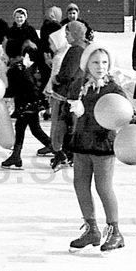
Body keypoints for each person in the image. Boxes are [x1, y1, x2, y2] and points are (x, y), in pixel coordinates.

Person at [65, 46, 136, 253]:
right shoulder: (79, 86)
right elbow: (67, 112)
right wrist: (72, 110)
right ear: (87, 64)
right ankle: (92, 230)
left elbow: (129, 113)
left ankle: (115, 231)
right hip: (81, 143)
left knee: (103, 187)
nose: (100, 67)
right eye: (96, 62)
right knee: (80, 185)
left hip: (103, 144)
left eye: (104, 63)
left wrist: (133, 124)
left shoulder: (113, 88)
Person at [0, 40, 51, 168]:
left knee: (21, 127)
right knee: (35, 129)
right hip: (32, 102)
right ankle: (57, 151)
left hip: (27, 104)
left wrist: (1, 93)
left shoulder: (14, 70)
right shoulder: (22, 67)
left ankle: (16, 156)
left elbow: (14, 90)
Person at [47, 21, 87, 171]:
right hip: (72, 92)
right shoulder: (82, 48)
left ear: (75, 34)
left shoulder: (76, 50)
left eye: (68, 34)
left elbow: (67, 73)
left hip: (65, 92)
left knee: (60, 124)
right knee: (68, 124)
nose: (66, 37)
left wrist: (57, 79)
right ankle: (66, 153)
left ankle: (62, 153)